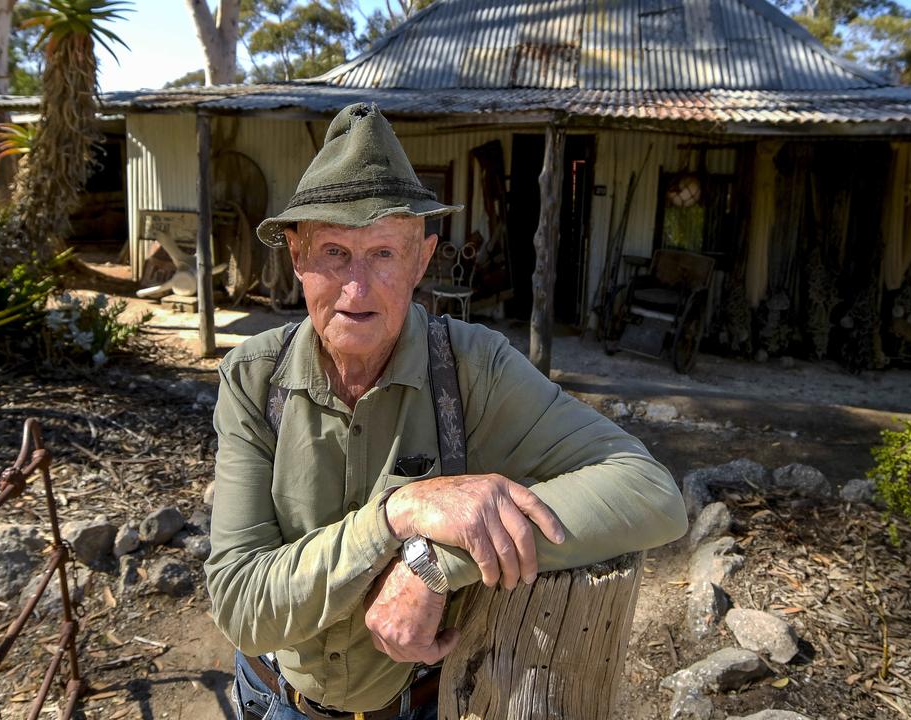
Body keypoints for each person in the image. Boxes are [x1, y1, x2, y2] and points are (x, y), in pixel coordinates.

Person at [206, 103, 688, 720]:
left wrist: (433, 562)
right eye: (333, 251)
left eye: (382, 253)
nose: (357, 287)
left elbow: (650, 491)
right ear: (296, 257)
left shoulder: (469, 370)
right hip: (275, 697)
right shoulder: (253, 377)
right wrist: (398, 515)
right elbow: (242, 605)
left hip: (418, 704)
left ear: (421, 258)